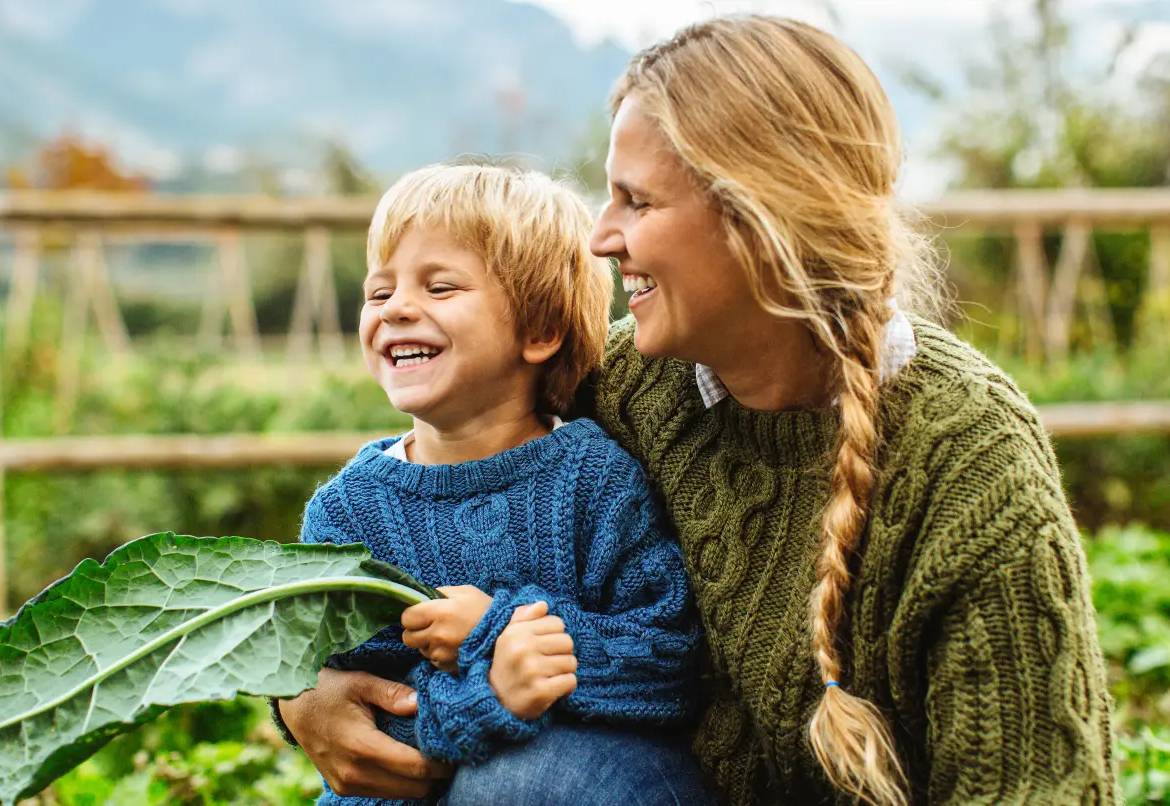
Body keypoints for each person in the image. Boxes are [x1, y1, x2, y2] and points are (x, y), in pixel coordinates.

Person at [279, 15, 1117, 806]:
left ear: (759, 217)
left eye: (636, 201)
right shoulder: (627, 387)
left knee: (527, 780)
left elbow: (1040, 784)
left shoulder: (969, 460)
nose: (601, 238)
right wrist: (302, 696)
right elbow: (447, 461)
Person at [274, 163, 708, 806]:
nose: (397, 309)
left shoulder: (594, 479)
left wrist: (502, 632)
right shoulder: (348, 512)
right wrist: (491, 690)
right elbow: (353, 721)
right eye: (379, 292)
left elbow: (668, 661)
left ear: (539, 331)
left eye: (440, 286)